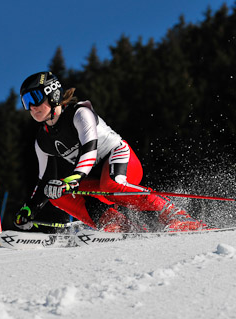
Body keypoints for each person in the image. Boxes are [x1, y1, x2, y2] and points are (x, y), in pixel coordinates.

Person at [13, 71, 205, 232]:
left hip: (121, 159)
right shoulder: (42, 140)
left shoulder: (79, 114)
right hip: (95, 178)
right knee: (55, 193)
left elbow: (89, 150)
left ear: (52, 94)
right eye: (25, 102)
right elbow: (44, 181)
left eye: (34, 99)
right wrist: (30, 209)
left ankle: (175, 214)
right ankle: (115, 224)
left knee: (110, 184)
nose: (31, 107)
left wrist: (73, 178)